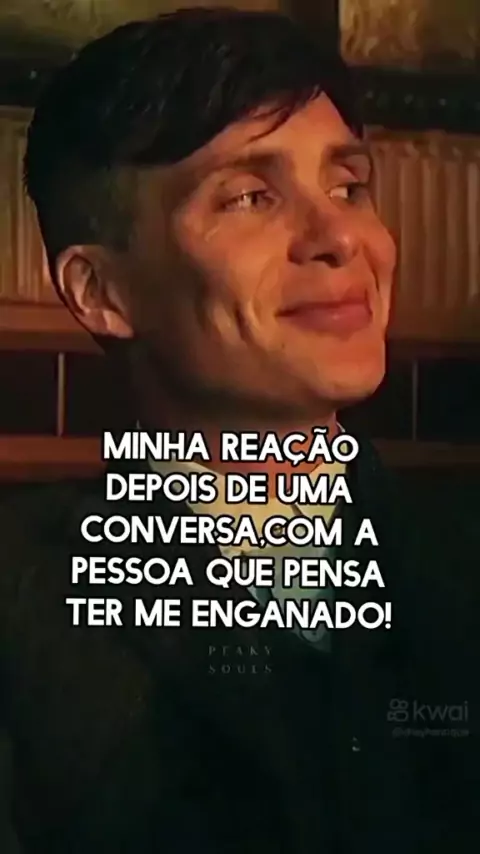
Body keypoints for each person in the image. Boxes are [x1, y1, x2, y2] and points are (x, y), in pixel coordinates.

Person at [0, 8, 476, 853]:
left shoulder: (458, 554)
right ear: (102, 293)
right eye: (251, 197)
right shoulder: (23, 607)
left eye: (348, 186)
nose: (339, 239)